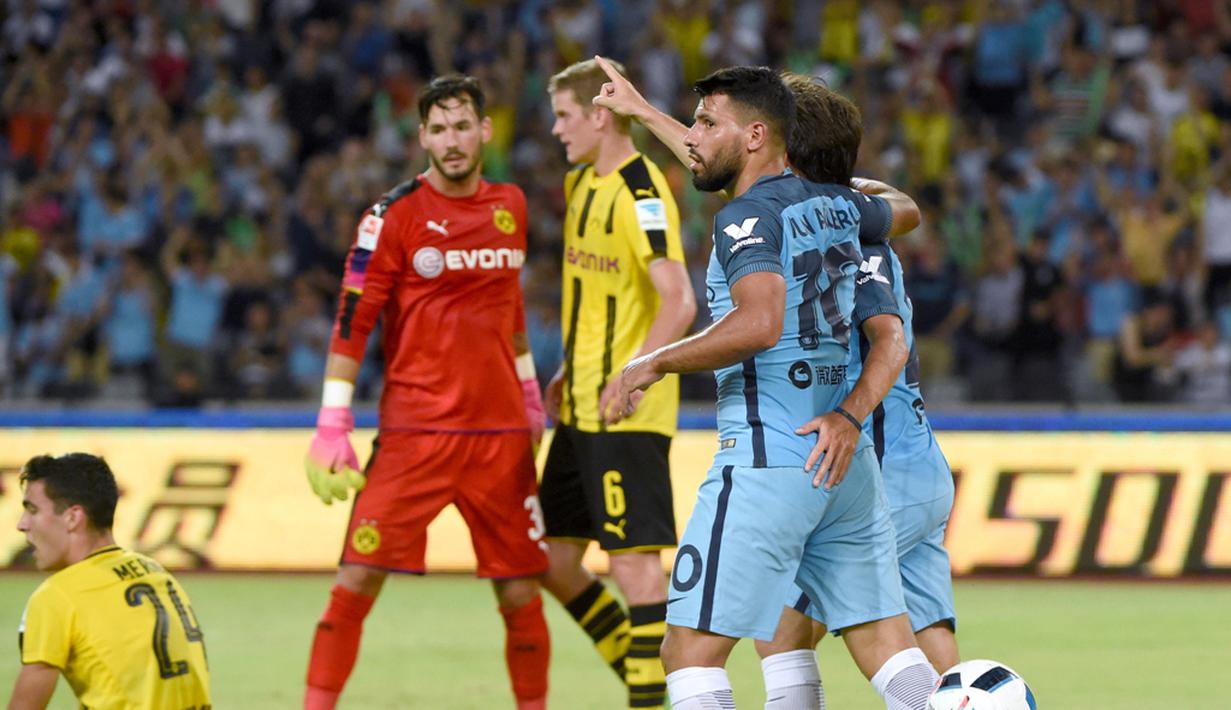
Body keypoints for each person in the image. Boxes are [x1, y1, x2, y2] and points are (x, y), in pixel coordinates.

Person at [602, 65, 940, 710]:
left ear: (758, 135)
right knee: (887, 649)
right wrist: (646, 114)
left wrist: (651, 363)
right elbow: (904, 211)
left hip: (766, 460)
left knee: (689, 652)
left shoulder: (744, 221)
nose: (694, 135)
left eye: (706, 122)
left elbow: (759, 324)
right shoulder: (842, 207)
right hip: (843, 461)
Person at [301, 75, 550, 710]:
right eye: (439, 128)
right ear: (421, 137)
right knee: (354, 582)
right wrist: (333, 421)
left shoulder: (512, 206)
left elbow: (509, 308)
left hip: (500, 438)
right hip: (415, 436)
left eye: (463, 125)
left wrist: (526, 391)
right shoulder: (392, 217)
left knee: (520, 595)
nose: (453, 139)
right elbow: (351, 321)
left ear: (485, 130)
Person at [749, 75, 959, 707]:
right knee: (933, 647)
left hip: (881, 468)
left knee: (778, 630)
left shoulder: (843, 235)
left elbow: (888, 339)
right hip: (920, 466)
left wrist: (845, 415)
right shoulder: (853, 212)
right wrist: (646, 114)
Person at [540, 57, 697, 710]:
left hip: (626, 412)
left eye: (563, 116)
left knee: (634, 568)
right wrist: (565, 368)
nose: (554, 131)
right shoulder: (582, 186)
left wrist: (634, 371)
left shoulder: (642, 190)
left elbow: (678, 300)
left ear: (599, 115)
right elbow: (591, 292)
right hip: (578, 407)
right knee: (551, 560)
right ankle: (650, 681)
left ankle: (650, 698)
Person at [10, 453, 210, 710]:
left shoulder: (57, 597)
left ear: (73, 517)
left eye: (32, 510)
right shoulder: (156, 572)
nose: (22, 524)